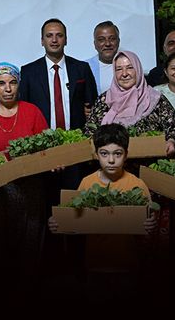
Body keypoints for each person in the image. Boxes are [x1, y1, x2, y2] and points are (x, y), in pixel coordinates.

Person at [47, 123, 157, 299]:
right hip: (94, 265)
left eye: (117, 154)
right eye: (104, 154)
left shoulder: (137, 185)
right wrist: (58, 222)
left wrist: (151, 223)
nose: (111, 160)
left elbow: (148, 223)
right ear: (96, 155)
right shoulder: (87, 182)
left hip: (128, 265)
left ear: (126, 155)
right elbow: (75, 222)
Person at [84, 50, 175, 156]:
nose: (124, 74)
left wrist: (171, 142)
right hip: (110, 166)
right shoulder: (104, 100)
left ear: (138, 69)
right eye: (119, 69)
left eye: (130, 67)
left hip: (149, 167)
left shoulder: (156, 99)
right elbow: (89, 130)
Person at [19, 18, 98, 131]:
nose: (54, 40)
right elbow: (23, 111)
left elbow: (93, 106)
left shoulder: (82, 68)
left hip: (78, 139)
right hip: (40, 140)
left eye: (59, 35)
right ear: (42, 41)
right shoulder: (28, 72)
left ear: (66, 40)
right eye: (49, 35)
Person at [0, 62, 47, 154]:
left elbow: (46, 147)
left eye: (13, 83)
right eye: (1, 83)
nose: (8, 89)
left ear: (18, 85)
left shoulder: (32, 111)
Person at [85, 21, 120, 95]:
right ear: (95, 44)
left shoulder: (131, 65)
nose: (107, 44)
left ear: (118, 41)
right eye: (101, 40)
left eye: (112, 39)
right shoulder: (85, 68)